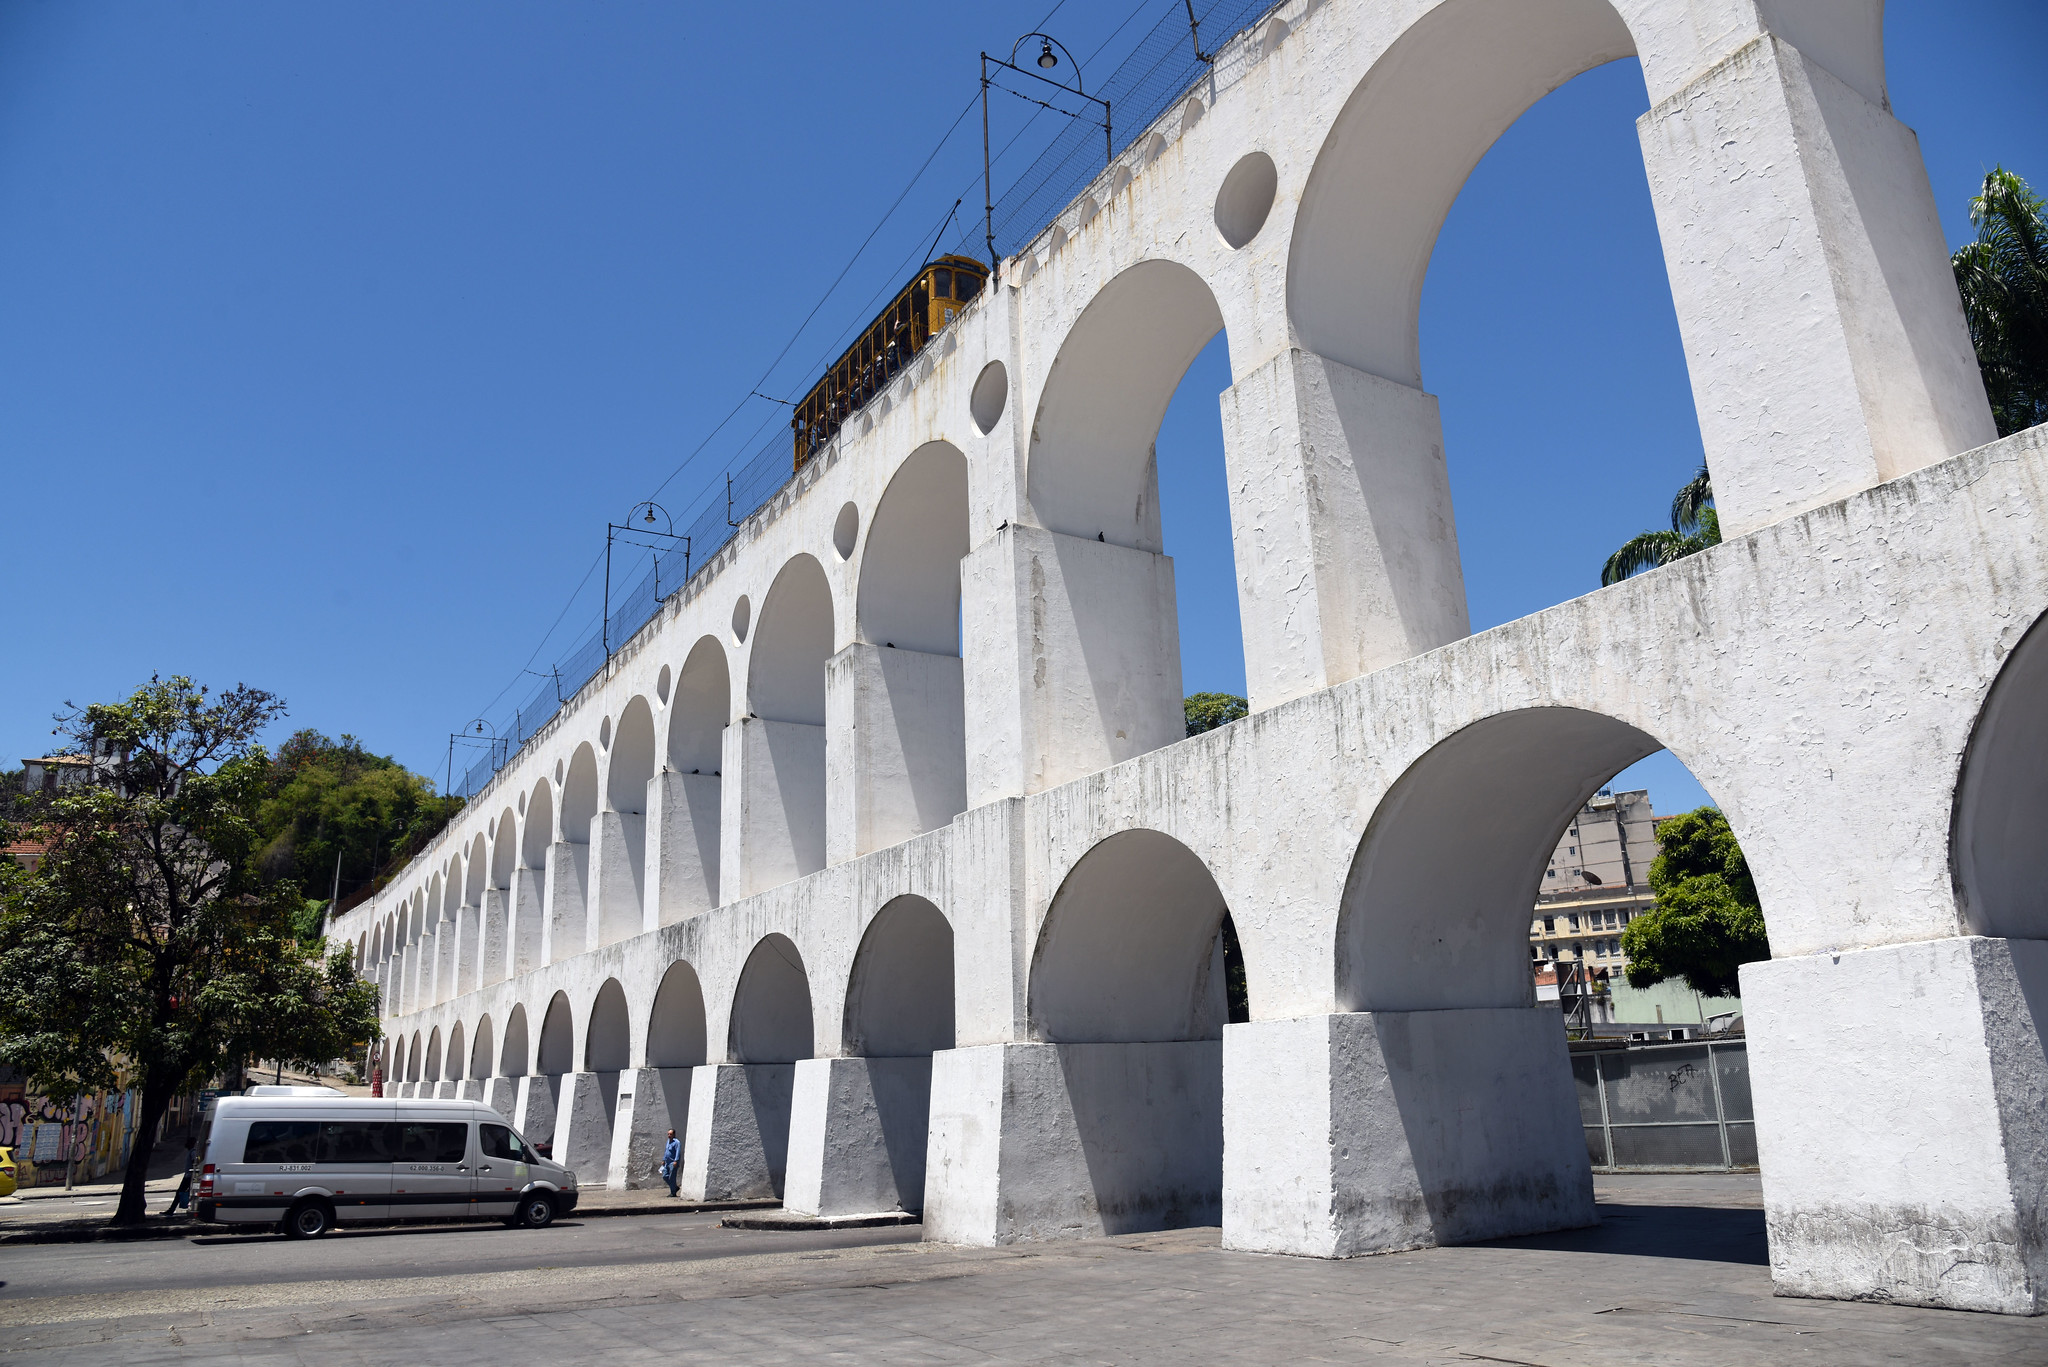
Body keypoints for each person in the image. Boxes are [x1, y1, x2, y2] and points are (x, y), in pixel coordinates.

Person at [161, 1133, 196, 1216]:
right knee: (186, 1193)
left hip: (189, 1177)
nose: (186, 1144)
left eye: (188, 1142)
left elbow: (194, 1163)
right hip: (188, 1176)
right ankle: (173, 1210)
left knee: (180, 1193)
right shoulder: (191, 1151)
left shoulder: (193, 1152)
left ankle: (171, 1210)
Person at [661, 1129, 681, 1198]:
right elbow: (666, 1151)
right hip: (667, 1162)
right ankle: (674, 1187)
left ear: (674, 1135)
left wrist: (676, 1161)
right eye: (668, 1134)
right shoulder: (668, 1141)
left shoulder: (677, 1142)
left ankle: (673, 1193)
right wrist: (663, 1159)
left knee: (672, 1178)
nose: (669, 1135)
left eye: (670, 1134)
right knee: (665, 1176)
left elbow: (678, 1152)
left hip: (673, 1162)